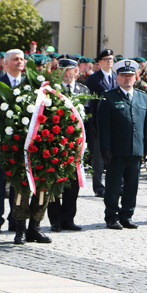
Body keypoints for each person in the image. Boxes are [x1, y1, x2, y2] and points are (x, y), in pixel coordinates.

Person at [98, 60, 147, 229]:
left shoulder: (142, 96)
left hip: (135, 148)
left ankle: (127, 214)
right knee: (113, 185)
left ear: (135, 77)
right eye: (124, 76)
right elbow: (103, 126)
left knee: (132, 185)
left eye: (130, 76)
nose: (127, 79)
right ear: (117, 78)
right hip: (116, 150)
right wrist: (105, 148)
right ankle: (111, 216)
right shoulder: (108, 97)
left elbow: (146, 124)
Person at [47, 57, 90, 232]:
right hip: (55, 144)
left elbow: (90, 120)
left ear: (77, 72)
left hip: (76, 146)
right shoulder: (51, 91)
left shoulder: (83, 90)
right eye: (62, 70)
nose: (66, 73)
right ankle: (55, 220)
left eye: (69, 70)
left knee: (73, 184)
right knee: (55, 182)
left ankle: (68, 219)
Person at [0, 50, 22, 235]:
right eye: (16, 59)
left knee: (18, 184)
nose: (20, 62)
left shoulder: (29, 84)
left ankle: (14, 219)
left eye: (22, 59)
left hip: (21, 144)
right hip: (2, 143)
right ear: (6, 63)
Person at [86, 49, 117, 198]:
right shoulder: (93, 79)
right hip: (98, 121)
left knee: (115, 155)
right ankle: (98, 186)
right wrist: (92, 122)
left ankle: (116, 184)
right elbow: (90, 102)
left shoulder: (117, 77)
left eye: (111, 59)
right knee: (98, 156)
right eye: (106, 59)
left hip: (115, 122)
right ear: (99, 62)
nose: (109, 61)